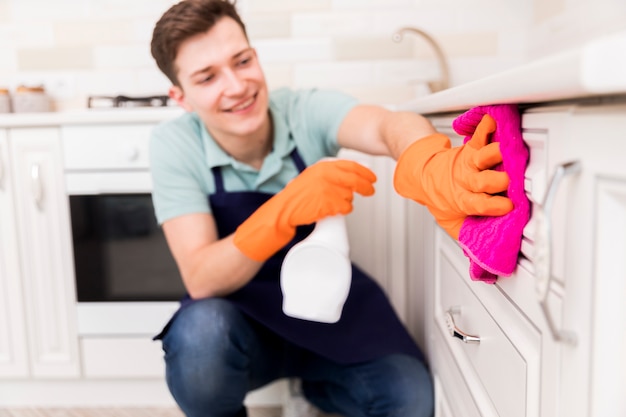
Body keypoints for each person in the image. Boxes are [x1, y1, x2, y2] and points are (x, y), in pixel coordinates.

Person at [148, 1, 512, 416]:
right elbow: (201, 278)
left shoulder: (302, 111)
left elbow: (383, 124)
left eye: (242, 60)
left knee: (411, 399)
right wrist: (282, 210)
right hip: (240, 322)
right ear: (181, 97)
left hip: (328, 307)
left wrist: (424, 158)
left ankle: (318, 388)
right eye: (207, 77)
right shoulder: (175, 146)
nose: (236, 86)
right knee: (200, 340)